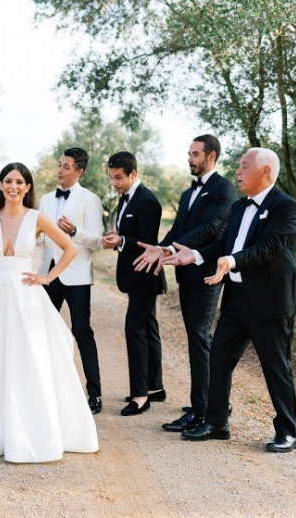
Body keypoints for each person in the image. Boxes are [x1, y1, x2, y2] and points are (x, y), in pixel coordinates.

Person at [0, 162, 99, 463]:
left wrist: (48, 278)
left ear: (27, 187)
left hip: (27, 296)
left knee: (30, 358)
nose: (13, 186)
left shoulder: (37, 218)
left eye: (19, 182)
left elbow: (69, 248)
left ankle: (32, 428)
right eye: (8, 181)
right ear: (1, 185)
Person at [167, 147, 296, 453]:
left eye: (244, 167)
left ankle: (288, 432)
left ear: (265, 171)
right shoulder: (240, 207)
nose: (238, 172)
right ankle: (217, 423)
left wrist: (231, 261)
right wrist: (196, 255)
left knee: (276, 367)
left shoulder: (285, 206)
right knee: (218, 357)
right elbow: (224, 244)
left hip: (270, 302)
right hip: (237, 300)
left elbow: (268, 248)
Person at [133, 135, 236, 432]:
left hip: (206, 273)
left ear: (211, 156)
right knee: (196, 337)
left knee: (199, 336)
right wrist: (161, 247)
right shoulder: (188, 192)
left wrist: (170, 249)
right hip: (186, 274)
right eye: (189, 153)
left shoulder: (223, 189)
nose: (189, 159)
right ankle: (210, 403)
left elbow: (211, 228)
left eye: (195, 154)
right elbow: (179, 229)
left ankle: (204, 411)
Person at [37, 147, 105, 414]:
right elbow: (40, 238)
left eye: (66, 166)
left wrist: (75, 231)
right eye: (59, 164)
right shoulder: (45, 200)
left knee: (82, 332)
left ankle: (94, 394)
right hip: (48, 274)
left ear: (79, 171)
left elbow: (98, 240)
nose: (60, 170)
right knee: (42, 331)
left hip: (77, 276)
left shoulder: (91, 199)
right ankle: (45, 391)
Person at [101, 151, 167, 416]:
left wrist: (123, 241)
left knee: (134, 329)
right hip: (133, 276)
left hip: (145, 276)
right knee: (148, 327)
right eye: (111, 177)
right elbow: (130, 233)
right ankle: (155, 387)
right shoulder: (126, 198)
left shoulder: (148, 201)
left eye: (118, 177)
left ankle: (140, 396)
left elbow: (148, 243)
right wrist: (118, 237)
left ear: (133, 174)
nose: (114, 183)